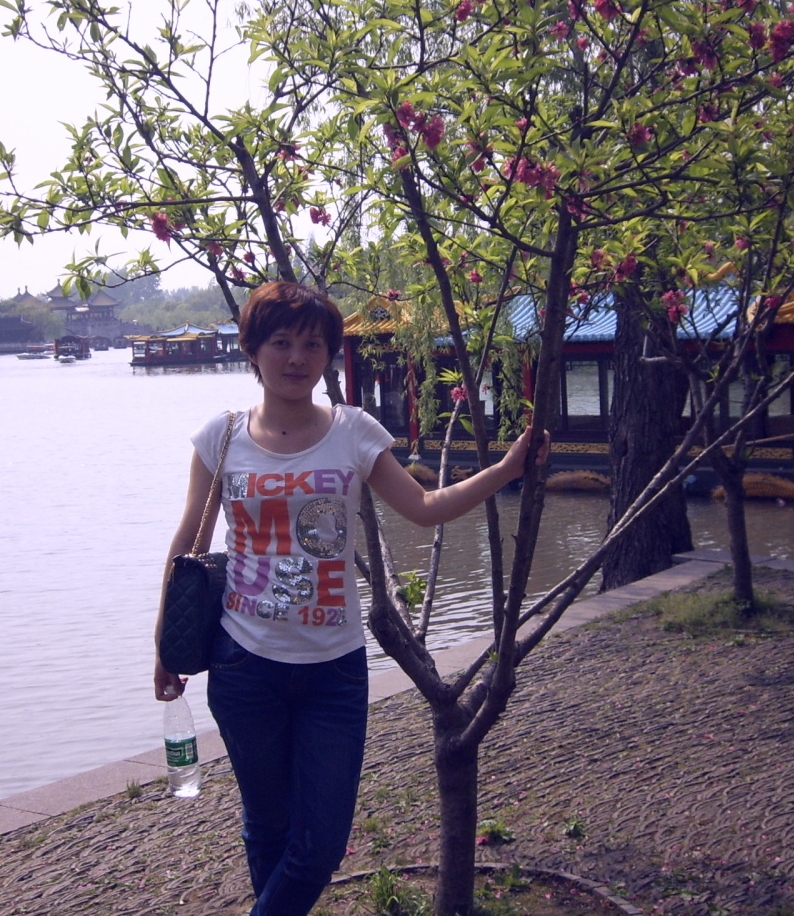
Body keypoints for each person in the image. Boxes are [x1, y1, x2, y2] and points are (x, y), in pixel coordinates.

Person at [154, 280, 548, 916]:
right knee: (267, 825)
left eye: (313, 345)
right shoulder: (220, 438)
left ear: (329, 355)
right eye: (281, 342)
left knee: (321, 844)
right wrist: (163, 647)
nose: (297, 358)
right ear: (252, 349)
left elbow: (423, 507)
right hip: (243, 663)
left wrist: (505, 470)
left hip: (333, 671)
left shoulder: (354, 431)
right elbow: (187, 547)